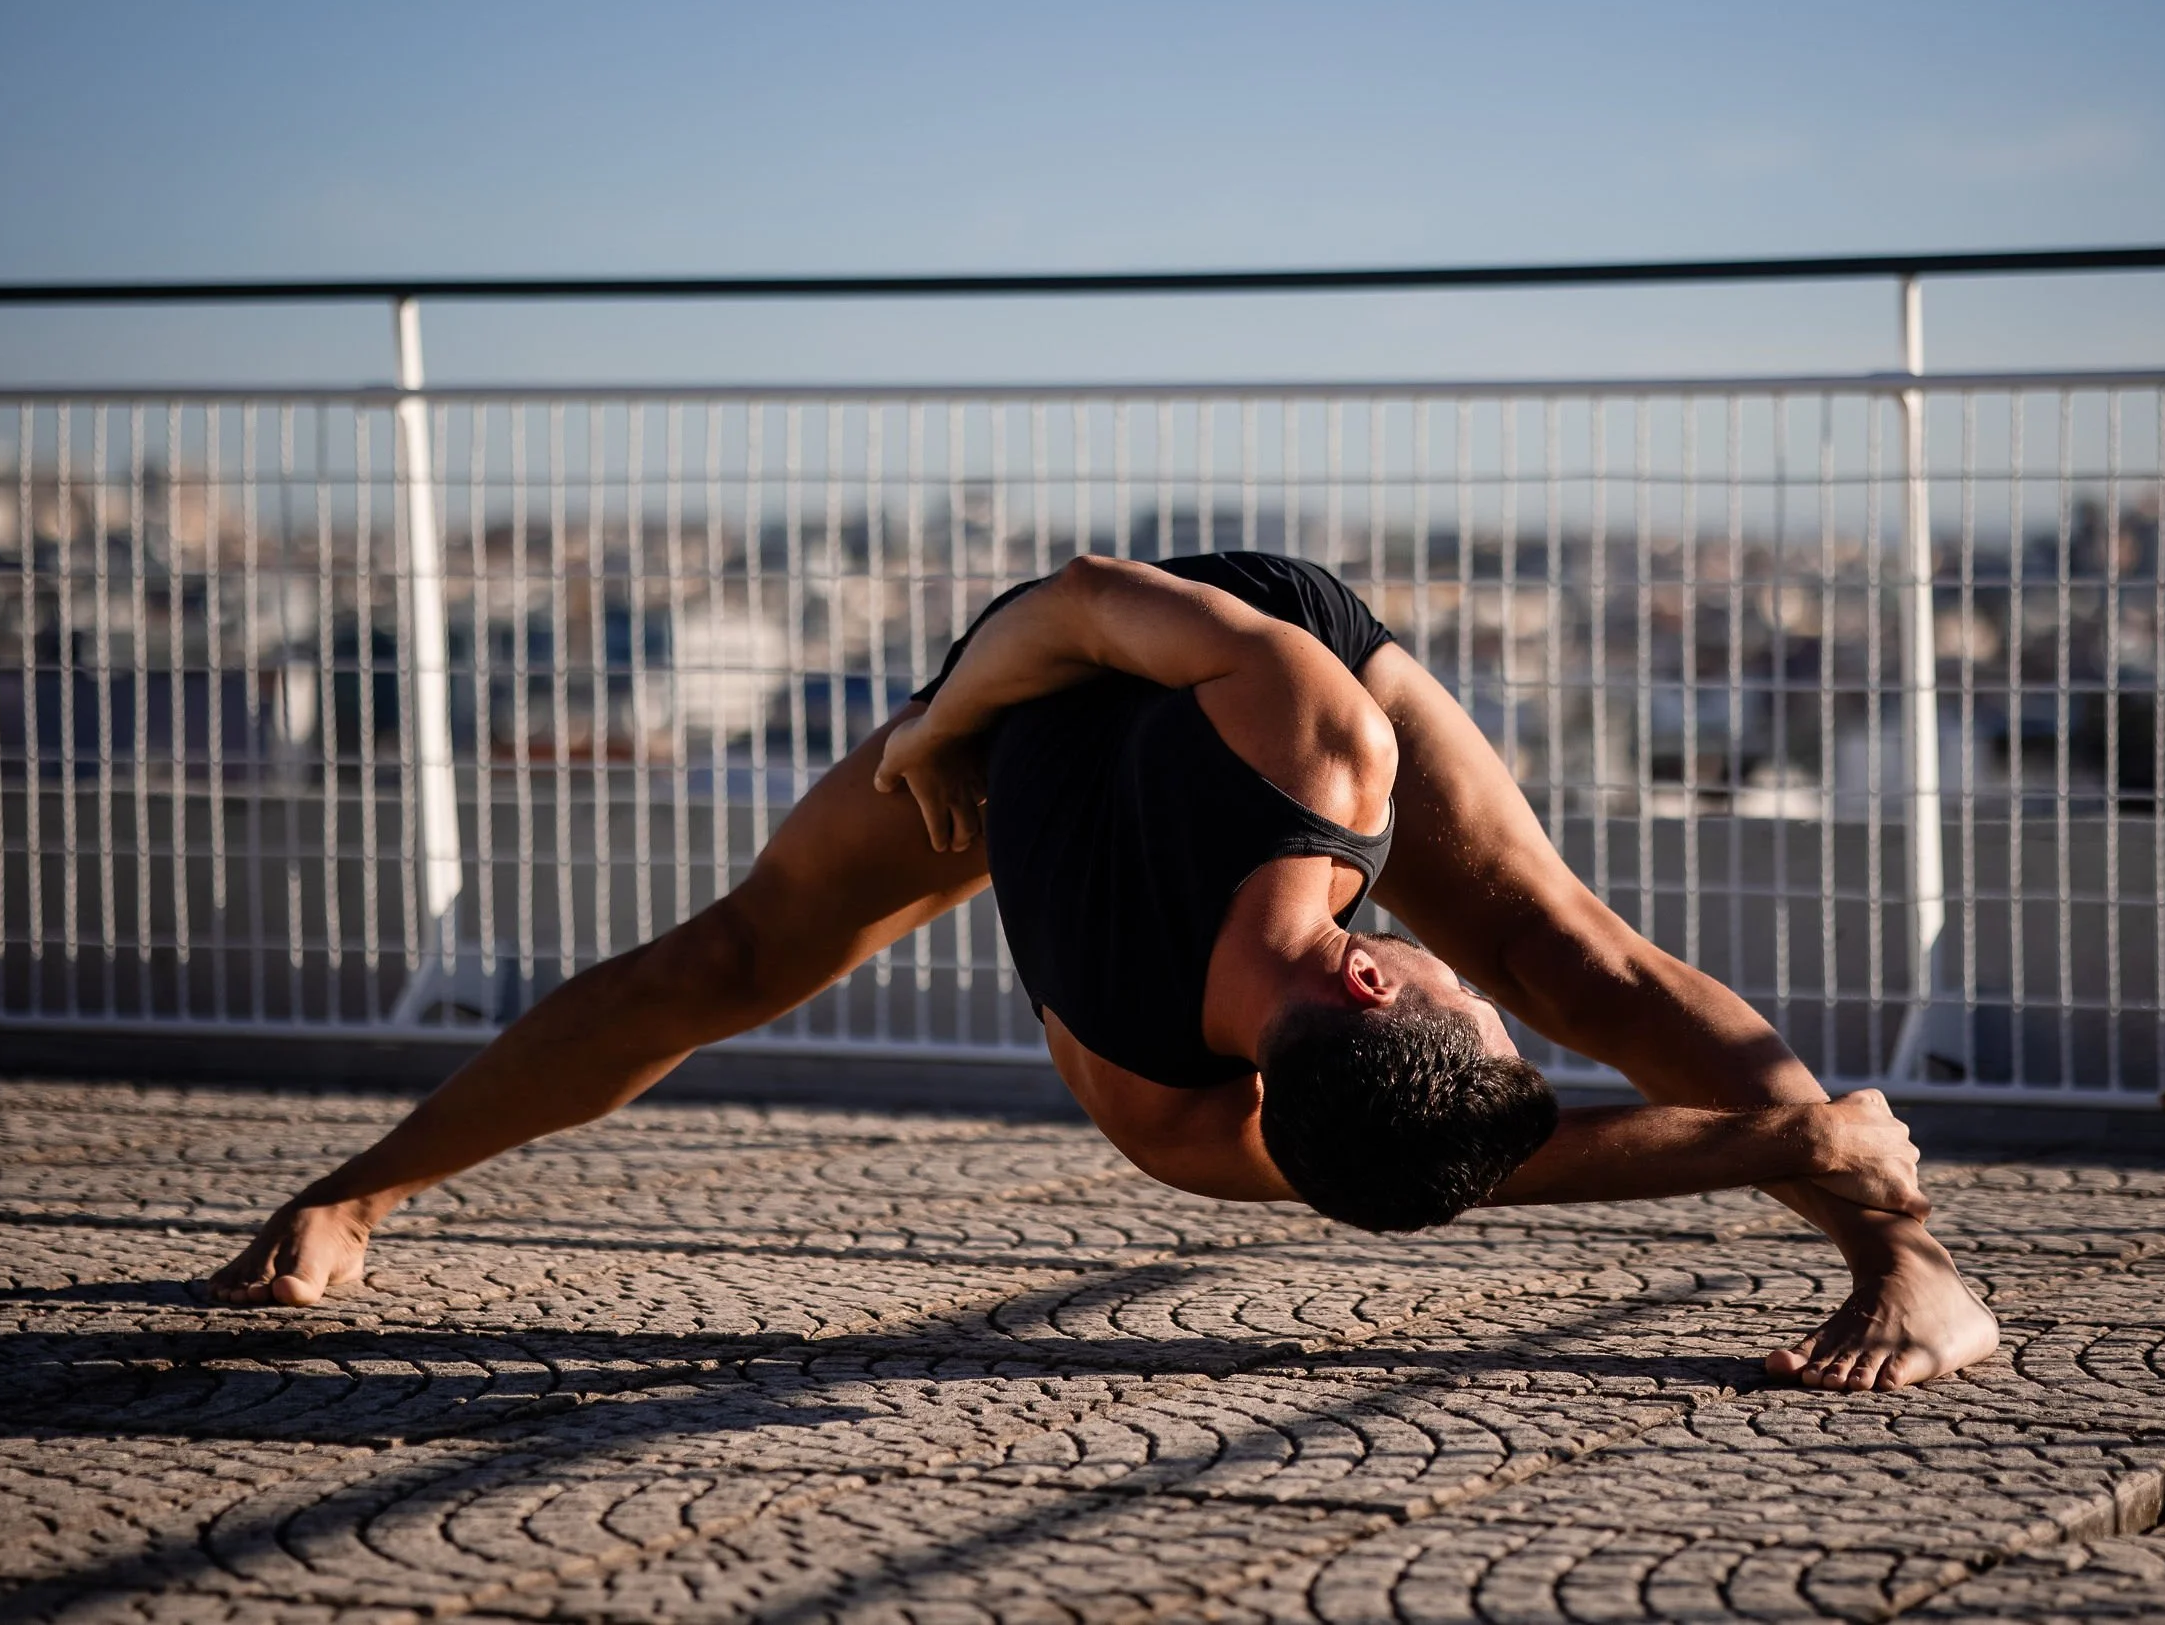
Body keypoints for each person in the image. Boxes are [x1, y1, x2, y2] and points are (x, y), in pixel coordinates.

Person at [209, 551, 1997, 1393]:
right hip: (1084, 674)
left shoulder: (1174, 1088)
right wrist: (940, 720)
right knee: (731, 953)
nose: (1475, 992)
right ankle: (369, 1189)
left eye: (1468, 1015)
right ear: (1372, 978)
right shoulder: (1323, 751)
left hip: (1109, 739)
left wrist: (1798, 1147)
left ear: (1367, 994)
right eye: (1464, 1000)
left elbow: (1442, 1151)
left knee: (1561, 951)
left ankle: (1911, 1274)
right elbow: (1071, 598)